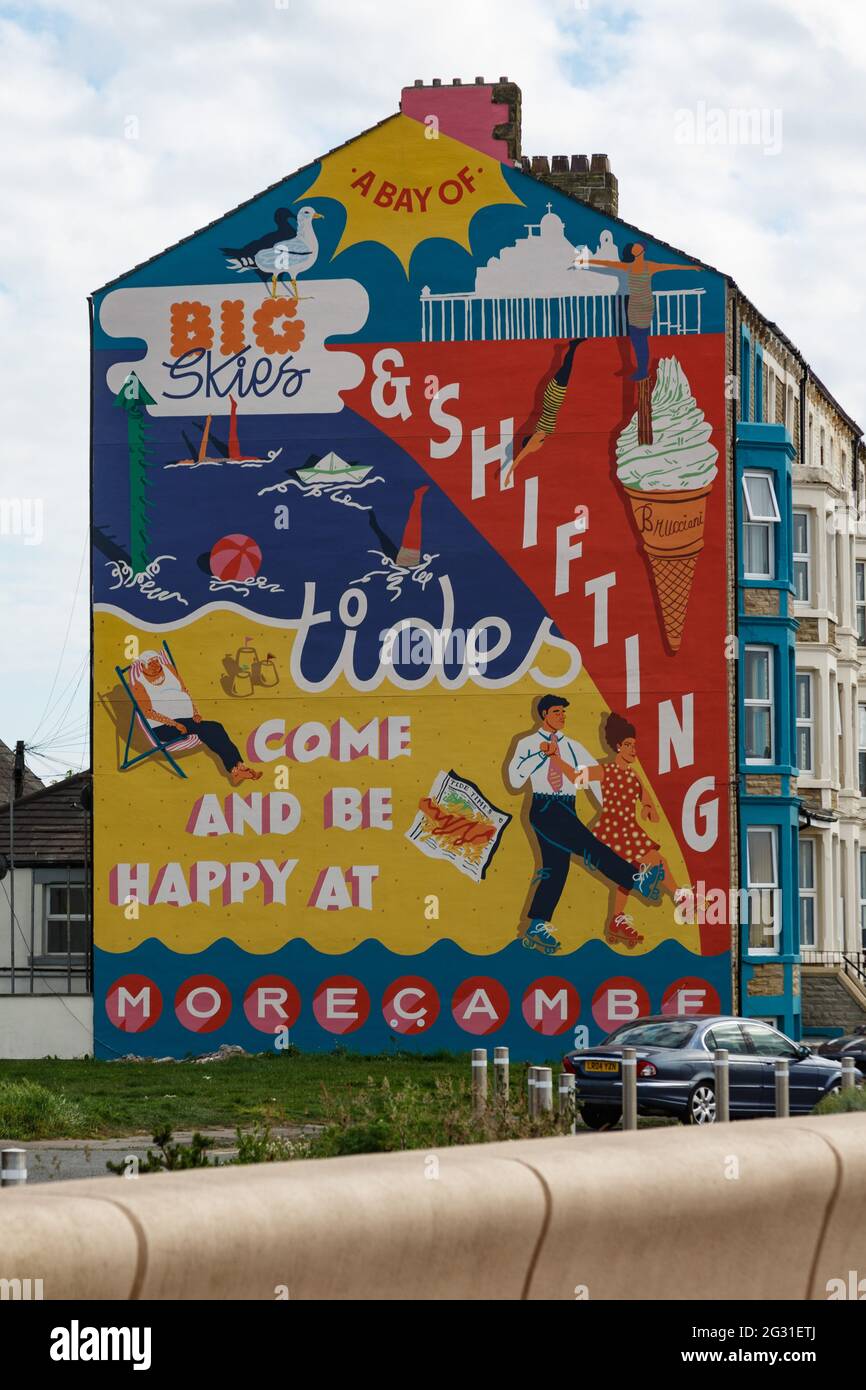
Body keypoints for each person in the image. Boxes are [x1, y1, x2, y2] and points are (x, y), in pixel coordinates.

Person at [507, 695, 663, 953]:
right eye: (556, 711)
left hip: (566, 806)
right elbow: (514, 780)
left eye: (563, 712)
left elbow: (595, 781)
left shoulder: (573, 746)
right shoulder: (528, 743)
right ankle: (637, 880)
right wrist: (541, 755)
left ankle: (536, 925)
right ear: (544, 714)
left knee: (556, 868)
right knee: (590, 846)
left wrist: (611, 811)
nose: (562, 716)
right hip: (545, 807)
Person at [591, 713, 675, 947]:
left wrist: (649, 808)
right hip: (612, 831)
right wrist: (557, 762)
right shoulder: (605, 770)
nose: (633, 750)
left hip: (629, 831)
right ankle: (678, 897)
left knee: (628, 877)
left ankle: (616, 920)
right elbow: (579, 776)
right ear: (618, 745)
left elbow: (644, 796)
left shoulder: (633, 774)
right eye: (628, 745)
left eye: (634, 745)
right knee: (656, 861)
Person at [131, 649, 262, 786]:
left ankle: (238, 768)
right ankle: (237, 768)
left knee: (214, 728)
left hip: (184, 719)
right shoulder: (139, 685)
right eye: (150, 663)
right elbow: (148, 712)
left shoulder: (168, 669)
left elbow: (185, 690)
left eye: (156, 661)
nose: (155, 665)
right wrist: (174, 724)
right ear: (142, 666)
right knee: (211, 729)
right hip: (162, 727)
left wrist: (195, 713)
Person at [591, 244, 703, 381]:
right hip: (638, 306)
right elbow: (606, 264)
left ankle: (642, 370)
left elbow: (606, 264)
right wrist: (586, 262)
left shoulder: (637, 266)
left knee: (639, 340)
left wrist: (691, 267)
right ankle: (641, 369)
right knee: (639, 339)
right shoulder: (640, 266)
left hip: (640, 306)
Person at [502, 338, 585, 485]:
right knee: (564, 369)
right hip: (551, 398)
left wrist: (508, 475)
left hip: (554, 398)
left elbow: (520, 457)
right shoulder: (541, 433)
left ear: (531, 442)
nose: (538, 448)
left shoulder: (538, 435)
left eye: (534, 447)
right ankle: (566, 349)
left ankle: (573, 347)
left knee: (566, 368)